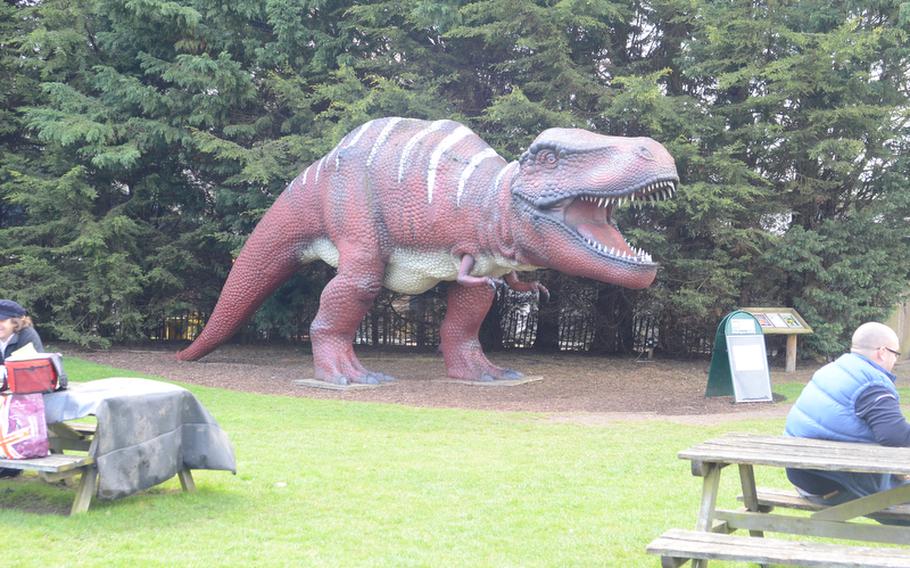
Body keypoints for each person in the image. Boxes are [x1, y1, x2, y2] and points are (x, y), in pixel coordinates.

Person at [784, 321, 906, 514]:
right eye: (895, 354)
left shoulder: (833, 369)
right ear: (882, 352)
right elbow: (894, 435)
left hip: (804, 476)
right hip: (834, 484)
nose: (895, 361)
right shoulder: (871, 383)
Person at [0, 300, 45, 478]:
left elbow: (32, 373)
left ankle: (12, 464)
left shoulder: (27, 336)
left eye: (2, 320)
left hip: (29, 394)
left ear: (15, 322)